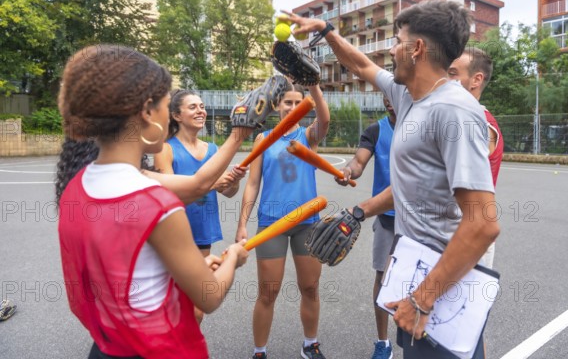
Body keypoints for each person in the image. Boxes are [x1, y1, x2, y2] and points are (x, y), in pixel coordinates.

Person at [287, 0, 500, 359]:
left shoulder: (454, 112)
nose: (390, 48)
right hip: (415, 274)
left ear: (416, 49)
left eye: (398, 39)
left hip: (441, 288)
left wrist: (423, 299)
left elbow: (483, 223)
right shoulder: (409, 96)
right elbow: (361, 64)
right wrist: (326, 31)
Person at [56, 44, 252, 359]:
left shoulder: (75, 186)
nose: (168, 118)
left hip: (106, 346)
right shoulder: (158, 204)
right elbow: (209, 296)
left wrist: (192, 266)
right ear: (147, 112)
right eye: (164, 105)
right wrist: (233, 259)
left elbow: (128, 272)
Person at [236, 83, 330, 359]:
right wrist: (242, 223)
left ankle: (310, 344)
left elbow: (324, 119)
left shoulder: (308, 136)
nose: (291, 107)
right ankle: (259, 351)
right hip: (272, 223)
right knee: (268, 293)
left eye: (297, 102)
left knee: (310, 288)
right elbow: (252, 184)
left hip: (307, 222)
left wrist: (313, 87)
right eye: (287, 102)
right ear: (277, 106)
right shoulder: (263, 138)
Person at [335, 97, 396, 359]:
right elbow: (358, 162)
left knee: (423, 279)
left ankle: (421, 335)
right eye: (385, 97)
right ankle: (383, 342)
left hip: (421, 218)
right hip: (387, 216)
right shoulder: (376, 130)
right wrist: (348, 171)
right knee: (383, 279)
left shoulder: (423, 126)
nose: (389, 101)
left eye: (393, 95)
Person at [154, 89, 240, 257]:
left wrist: (234, 181)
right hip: (175, 231)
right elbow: (167, 196)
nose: (201, 111)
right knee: (179, 282)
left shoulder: (213, 150)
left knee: (199, 283)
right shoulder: (165, 149)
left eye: (202, 106)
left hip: (203, 231)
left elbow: (228, 193)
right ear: (177, 116)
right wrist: (212, 184)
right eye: (193, 107)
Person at [448, 47, 505, 269]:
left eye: (453, 73)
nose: (445, 78)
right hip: (451, 232)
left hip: (467, 236)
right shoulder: (461, 118)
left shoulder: (477, 123)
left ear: (476, 80)